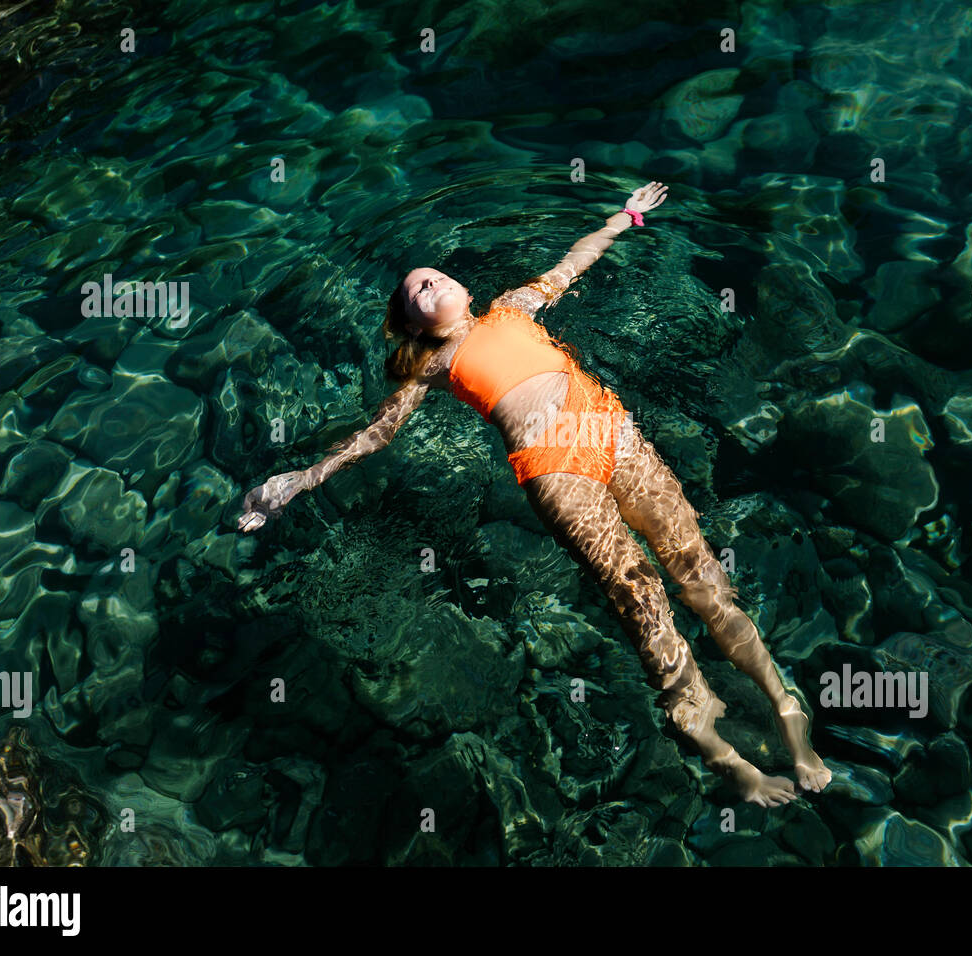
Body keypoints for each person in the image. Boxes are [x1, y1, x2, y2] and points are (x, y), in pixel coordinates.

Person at [238, 182, 831, 806]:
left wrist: (624, 217)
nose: (427, 283)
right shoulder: (431, 365)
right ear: (413, 324)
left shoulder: (512, 308)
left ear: (465, 292)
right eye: (416, 289)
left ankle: (785, 712)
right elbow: (376, 434)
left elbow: (572, 263)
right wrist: (298, 482)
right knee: (641, 598)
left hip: (611, 429)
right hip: (554, 467)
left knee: (700, 572)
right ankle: (725, 754)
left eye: (435, 276)